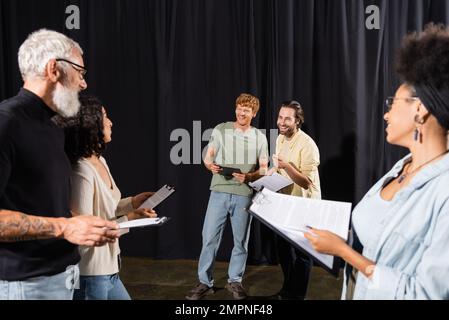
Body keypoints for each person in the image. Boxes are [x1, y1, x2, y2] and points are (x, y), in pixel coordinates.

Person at [304, 24, 449, 299]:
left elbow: (427, 294)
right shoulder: (400, 169)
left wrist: (344, 252)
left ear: (420, 109)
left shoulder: (445, 191)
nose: (386, 115)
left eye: (392, 103)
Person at [0, 29, 119, 300]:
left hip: (63, 278)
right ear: (54, 69)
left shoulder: (53, 126)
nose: (83, 83)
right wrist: (65, 227)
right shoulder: (6, 123)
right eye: (80, 71)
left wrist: (85, 224)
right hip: (26, 285)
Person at [55, 95, 157, 300]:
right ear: (91, 125)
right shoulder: (81, 171)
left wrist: (133, 202)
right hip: (90, 275)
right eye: (104, 117)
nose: (111, 122)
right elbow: (84, 233)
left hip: (109, 271)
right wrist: (129, 221)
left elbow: (106, 208)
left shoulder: (100, 160)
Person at [186, 93, 269, 300]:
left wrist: (249, 175)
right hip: (219, 191)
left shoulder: (259, 136)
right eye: (240, 108)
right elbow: (208, 156)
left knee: (240, 241)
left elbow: (264, 168)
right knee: (209, 238)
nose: (242, 112)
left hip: (243, 194)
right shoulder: (221, 129)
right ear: (235, 109)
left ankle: (235, 281)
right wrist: (210, 166)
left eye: (247, 110)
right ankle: (205, 282)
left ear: (254, 113)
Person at [269, 100, 321, 300]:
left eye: (287, 119)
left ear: (297, 121)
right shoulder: (280, 139)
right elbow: (279, 168)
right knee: (283, 248)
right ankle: (287, 290)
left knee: (301, 254)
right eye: (280, 117)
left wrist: (287, 165)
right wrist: (265, 177)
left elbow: (306, 182)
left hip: (305, 204)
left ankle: (297, 296)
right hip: (285, 202)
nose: (282, 122)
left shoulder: (308, 144)